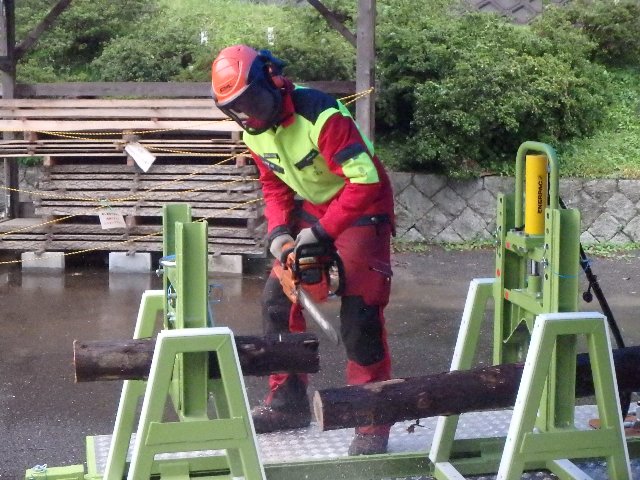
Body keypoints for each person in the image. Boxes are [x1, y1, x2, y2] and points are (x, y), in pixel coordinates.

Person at [211, 44, 395, 456]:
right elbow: (275, 185)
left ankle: (372, 418)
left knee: (360, 312)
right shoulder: (253, 132)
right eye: (238, 109)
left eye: (254, 101)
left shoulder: (321, 114)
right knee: (278, 302)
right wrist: (279, 231)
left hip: (361, 204)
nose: (250, 115)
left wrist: (325, 231)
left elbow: (363, 182)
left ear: (274, 80)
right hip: (312, 209)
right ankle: (288, 402)